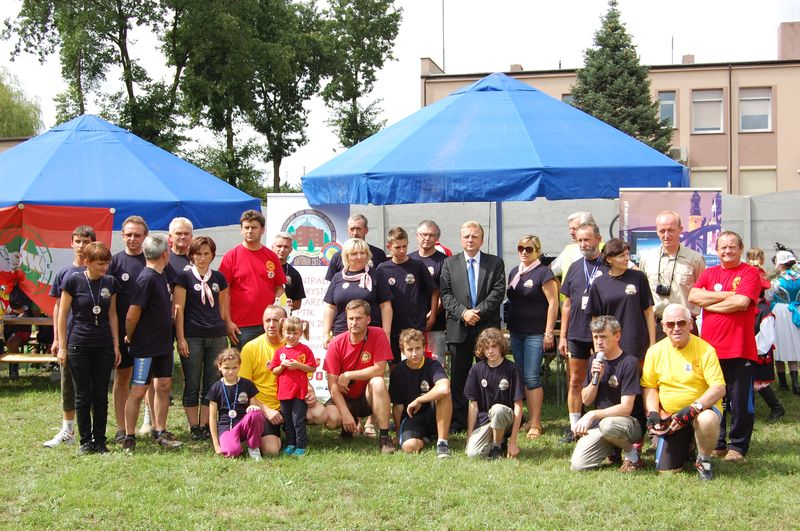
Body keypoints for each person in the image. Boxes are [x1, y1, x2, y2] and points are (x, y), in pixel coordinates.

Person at [689, 231, 760, 463]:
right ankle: (717, 444)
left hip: (740, 348)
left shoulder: (750, 272)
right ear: (716, 250)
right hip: (711, 350)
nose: (727, 251)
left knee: (740, 402)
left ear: (740, 248)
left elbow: (742, 302)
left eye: (732, 247)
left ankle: (738, 448)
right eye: (723, 248)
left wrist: (712, 303)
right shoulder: (709, 273)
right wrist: (727, 297)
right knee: (713, 398)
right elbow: (693, 296)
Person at [640, 304, 726, 480]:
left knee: (707, 420)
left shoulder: (706, 350)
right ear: (663, 326)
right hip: (671, 416)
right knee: (666, 471)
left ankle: (704, 460)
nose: (676, 328)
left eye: (681, 323)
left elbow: (719, 388)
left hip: (700, 410)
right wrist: (654, 412)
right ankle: (689, 445)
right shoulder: (654, 351)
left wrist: (694, 408)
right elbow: (649, 386)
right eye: (670, 324)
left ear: (691, 324)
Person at [439, 220, 506, 432]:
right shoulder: (449, 263)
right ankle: (459, 420)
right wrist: (463, 313)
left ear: (482, 240)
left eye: (474, 236)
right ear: (461, 239)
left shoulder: (495, 263)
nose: (470, 240)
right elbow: (446, 294)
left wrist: (477, 313)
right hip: (459, 329)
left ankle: (489, 416)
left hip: (486, 328)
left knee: (490, 374)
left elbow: (498, 292)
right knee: (459, 377)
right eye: (466, 236)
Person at [56, 242, 121, 455]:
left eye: (107, 263)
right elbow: (62, 315)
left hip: (103, 345)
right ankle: (85, 441)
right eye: (100, 264)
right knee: (82, 395)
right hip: (78, 344)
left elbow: (112, 315)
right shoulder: (73, 280)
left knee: (101, 395)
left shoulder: (110, 282)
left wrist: (116, 345)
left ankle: (101, 441)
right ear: (87, 262)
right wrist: (62, 347)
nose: (105, 267)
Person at [121, 234, 182, 452]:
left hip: (163, 345)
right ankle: (129, 435)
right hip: (145, 346)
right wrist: (130, 335)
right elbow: (132, 314)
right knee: (138, 391)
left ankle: (160, 430)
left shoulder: (163, 274)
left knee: (164, 386)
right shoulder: (146, 278)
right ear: (165, 254)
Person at [239, 305, 327, 456]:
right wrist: (266, 410)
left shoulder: (293, 343)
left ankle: (296, 439)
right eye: (268, 320)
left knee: (320, 413)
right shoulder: (251, 348)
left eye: (276, 320)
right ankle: (271, 436)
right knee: (271, 450)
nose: (271, 324)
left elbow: (304, 371)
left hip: (292, 398)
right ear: (262, 322)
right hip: (266, 406)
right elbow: (243, 388)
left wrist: (310, 390)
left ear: (284, 322)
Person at [42, 225, 96, 448]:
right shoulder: (64, 273)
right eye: (78, 241)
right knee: (68, 386)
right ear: (71, 243)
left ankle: (92, 431)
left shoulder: (101, 271)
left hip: (95, 340)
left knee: (94, 388)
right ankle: (68, 430)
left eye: (86, 241)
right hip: (71, 340)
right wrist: (57, 338)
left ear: (93, 243)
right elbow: (58, 309)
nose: (82, 246)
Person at [570, 316, 646, 472]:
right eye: (596, 337)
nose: (598, 341)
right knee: (578, 466)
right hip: (603, 425)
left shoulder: (629, 362)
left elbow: (626, 408)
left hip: (629, 423)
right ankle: (613, 451)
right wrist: (595, 381)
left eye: (603, 336)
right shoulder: (595, 360)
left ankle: (633, 455)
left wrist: (593, 415)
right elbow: (586, 400)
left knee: (608, 424)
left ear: (617, 336)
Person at [174, 236, 230, 441]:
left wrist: (228, 325)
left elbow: (223, 307)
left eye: (207, 254)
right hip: (193, 336)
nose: (202, 258)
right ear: (192, 255)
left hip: (216, 336)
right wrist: (180, 338)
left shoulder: (219, 278)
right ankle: (194, 426)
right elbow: (178, 309)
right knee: (192, 382)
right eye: (198, 254)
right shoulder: (183, 277)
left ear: (213, 255)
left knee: (212, 382)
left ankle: (206, 423)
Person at [322, 299, 395, 454]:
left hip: (366, 398)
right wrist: (345, 414)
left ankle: (384, 437)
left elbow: (380, 369)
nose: (354, 322)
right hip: (345, 398)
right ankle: (348, 425)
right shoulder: (336, 343)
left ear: (368, 319)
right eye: (350, 318)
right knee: (330, 419)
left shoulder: (378, 334)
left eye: (358, 318)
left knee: (378, 382)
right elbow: (332, 385)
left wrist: (349, 374)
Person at [558, 222, 608, 443]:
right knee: (575, 381)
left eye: (587, 239)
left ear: (598, 238)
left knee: (603, 379)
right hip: (577, 333)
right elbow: (567, 304)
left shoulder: (609, 266)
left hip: (602, 334)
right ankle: (574, 427)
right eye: (579, 240)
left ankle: (601, 425)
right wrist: (562, 335)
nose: (583, 244)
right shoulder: (575, 267)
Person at [505, 234, 558, 440]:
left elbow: (554, 303)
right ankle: (526, 419)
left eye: (529, 249)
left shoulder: (544, 273)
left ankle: (536, 422)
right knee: (521, 375)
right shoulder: (514, 272)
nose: (524, 252)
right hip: (516, 331)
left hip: (536, 333)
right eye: (521, 248)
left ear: (538, 251)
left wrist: (548, 332)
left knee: (532, 376)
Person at [219, 209, 286, 348]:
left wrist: (282, 315)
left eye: (254, 227)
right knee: (242, 368)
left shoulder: (271, 256)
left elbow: (279, 288)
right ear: (241, 230)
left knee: (270, 366)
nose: (249, 231)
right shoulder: (231, 257)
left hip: (270, 324)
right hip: (241, 326)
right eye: (246, 227)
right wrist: (227, 321)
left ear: (262, 230)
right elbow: (223, 292)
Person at [109, 215, 149, 441]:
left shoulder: (152, 260)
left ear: (145, 237)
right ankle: (122, 428)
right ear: (122, 236)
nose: (133, 239)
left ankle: (149, 424)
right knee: (122, 378)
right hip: (123, 334)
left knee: (149, 382)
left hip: (148, 333)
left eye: (137, 235)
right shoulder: (114, 263)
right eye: (129, 234)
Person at [586, 238, 656, 361]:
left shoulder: (639, 277)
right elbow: (595, 318)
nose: (627, 258)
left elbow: (649, 312)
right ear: (609, 259)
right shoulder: (599, 283)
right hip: (609, 344)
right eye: (621, 255)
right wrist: (597, 347)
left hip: (636, 343)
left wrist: (652, 343)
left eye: (627, 254)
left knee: (637, 379)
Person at [638, 210, 705, 338]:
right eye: (662, 231)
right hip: (656, 326)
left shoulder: (695, 259)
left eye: (671, 230)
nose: (666, 235)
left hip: (685, 325)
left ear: (680, 230)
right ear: (657, 231)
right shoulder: (646, 258)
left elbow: (702, 291)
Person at [376, 226, 438, 364]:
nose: (402, 250)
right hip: (392, 328)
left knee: (416, 364)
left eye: (404, 246)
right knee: (395, 367)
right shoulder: (382, 269)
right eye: (397, 247)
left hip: (415, 325)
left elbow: (434, 290)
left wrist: (432, 316)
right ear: (389, 247)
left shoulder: (417, 266)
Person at [389, 328, 452, 458]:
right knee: (409, 446)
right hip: (412, 417)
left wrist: (419, 400)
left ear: (424, 348)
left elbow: (444, 388)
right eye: (410, 349)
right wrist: (398, 433)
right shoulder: (397, 372)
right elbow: (398, 407)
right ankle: (425, 439)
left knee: (445, 395)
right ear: (402, 351)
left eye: (418, 348)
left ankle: (442, 443)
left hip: (434, 414)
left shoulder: (433, 365)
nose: (414, 353)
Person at [464, 328, 523, 459]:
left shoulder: (512, 369)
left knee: (497, 410)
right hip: (486, 419)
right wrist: (470, 436)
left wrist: (513, 441)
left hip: (506, 417)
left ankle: (498, 446)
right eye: (486, 348)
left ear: (500, 346)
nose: (490, 351)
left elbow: (518, 405)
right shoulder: (476, 370)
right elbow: (473, 405)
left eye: (493, 346)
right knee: (473, 454)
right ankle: (493, 440)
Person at [322, 238, 393, 346]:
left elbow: (385, 306)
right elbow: (330, 307)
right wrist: (326, 333)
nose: (359, 257)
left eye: (362, 253)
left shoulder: (376, 275)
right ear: (347, 256)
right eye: (354, 254)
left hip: (371, 336)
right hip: (341, 335)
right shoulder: (337, 277)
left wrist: (386, 334)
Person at [269, 316, 317, 457]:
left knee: (298, 420)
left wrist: (298, 365)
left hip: (299, 392)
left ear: (300, 333)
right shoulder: (279, 351)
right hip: (284, 392)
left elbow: (312, 368)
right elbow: (274, 371)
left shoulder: (305, 350)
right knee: (288, 421)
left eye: (295, 333)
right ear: (283, 332)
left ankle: (301, 446)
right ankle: (291, 444)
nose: (291, 336)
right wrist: (282, 366)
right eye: (288, 333)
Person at [206, 349, 265, 461]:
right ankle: (235, 443)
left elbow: (253, 408)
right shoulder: (215, 388)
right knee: (232, 453)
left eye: (234, 368)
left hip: (243, 424)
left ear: (239, 366)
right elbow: (212, 418)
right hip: (226, 427)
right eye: (226, 368)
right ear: (219, 366)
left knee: (256, 413)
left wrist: (253, 407)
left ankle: (253, 447)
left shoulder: (247, 384)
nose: (230, 372)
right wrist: (216, 445)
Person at [747, 247, 785, 421]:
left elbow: (766, 337)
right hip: (750, 349)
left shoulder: (764, 311)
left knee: (759, 382)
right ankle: (748, 410)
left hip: (758, 351)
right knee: (751, 381)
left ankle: (777, 408)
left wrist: (755, 349)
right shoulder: (751, 307)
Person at [409, 219, 448, 364]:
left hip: (434, 325)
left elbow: (446, 294)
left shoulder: (445, 262)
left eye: (431, 235)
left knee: (436, 365)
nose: (427, 238)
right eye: (424, 234)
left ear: (437, 238)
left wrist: (431, 316)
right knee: (411, 365)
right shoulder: (409, 259)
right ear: (417, 236)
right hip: (411, 324)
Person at [766, 250, 800, 394]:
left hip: (779, 312)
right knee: (793, 346)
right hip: (795, 311)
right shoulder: (798, 278)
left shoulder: (776, 281)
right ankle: (796, 384)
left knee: (779, 346)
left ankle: (783, 384)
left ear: (780, 264)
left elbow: (769, 297)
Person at [325, 213, 389, 281]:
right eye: (352, 229)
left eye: (358, 229)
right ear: (348, 231)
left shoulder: (379, 254)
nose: (355, 233)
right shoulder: (337, 257)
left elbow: (383, 281)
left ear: (366, 230)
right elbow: (332, 284)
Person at [551, 211, 596, 282]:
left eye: (574, 229)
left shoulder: (605, 249)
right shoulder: (568, 250)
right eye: (570, 229)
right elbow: (548, 273)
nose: (571, 232)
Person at [272, 232, 306, 312]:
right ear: (272, 247)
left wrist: (287, 306)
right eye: (279, 246)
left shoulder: (294, 274)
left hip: (284, 320)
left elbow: (297, 304)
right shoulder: (263, 267)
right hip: (262, 316)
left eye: (286, 247)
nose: (282, 250)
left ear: (291, 250)